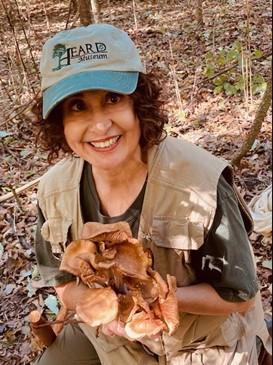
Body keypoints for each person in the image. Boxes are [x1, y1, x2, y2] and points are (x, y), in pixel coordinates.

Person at [33, 23, 271, 365]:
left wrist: (162, 296)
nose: (100, 126)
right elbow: (59, 277)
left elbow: (240, 295)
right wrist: (89, 302)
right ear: (59, 122)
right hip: (111, 341)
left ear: (138, 104)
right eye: (77, 107)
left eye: (112, 99)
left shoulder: (200, 181)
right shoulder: (53, 190)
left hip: (200, 343)